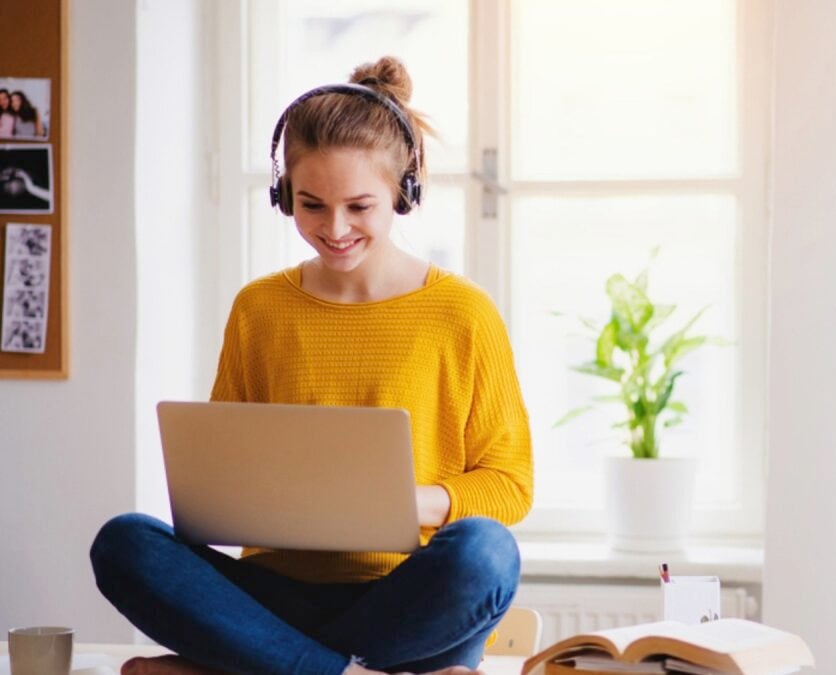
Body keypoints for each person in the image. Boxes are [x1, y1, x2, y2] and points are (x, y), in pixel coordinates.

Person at [89, 56, 534, 675]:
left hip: (407, 603)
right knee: (124, 544)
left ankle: (258, 667)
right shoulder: (260, 309)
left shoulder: (463, 313)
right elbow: (220, 476)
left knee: (486, 553)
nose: (335, 228)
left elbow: (510, 486)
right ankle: (341, 671)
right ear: (283, 195)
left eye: (359, 206)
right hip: (274, 598)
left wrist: (402, 503)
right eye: (312, 204)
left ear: (403, 192)